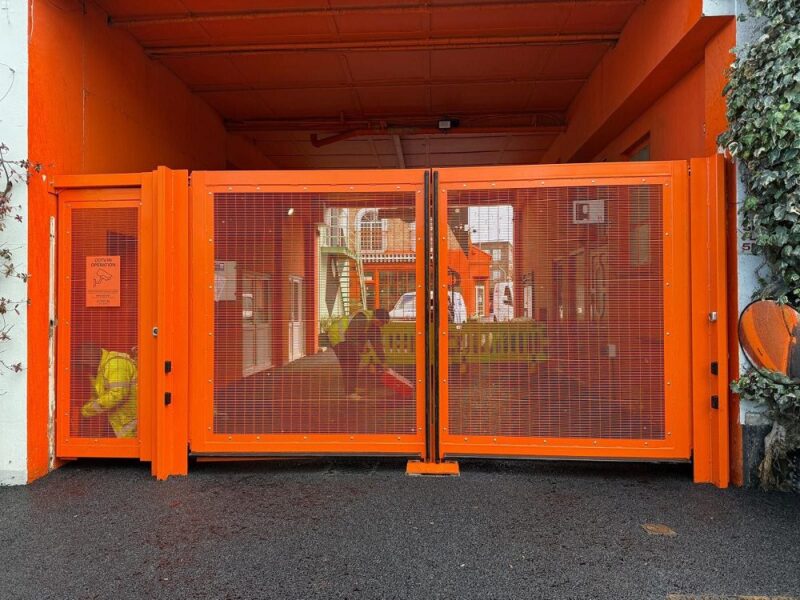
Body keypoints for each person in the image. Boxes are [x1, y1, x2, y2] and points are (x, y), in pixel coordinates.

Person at [79, 343, 138, 438]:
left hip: (131, 423)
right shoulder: (99, 369)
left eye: (86, 364)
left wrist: (86, 411)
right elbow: (97, 398)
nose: (86, 368)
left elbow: (117, 394)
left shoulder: (115, 364)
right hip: (118, 422)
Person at [333, 308, 390, 400]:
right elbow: (350, 335)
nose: (381, 325)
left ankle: (352, 389)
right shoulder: (362, 318)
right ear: (375, 317)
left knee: (355, 361)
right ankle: (350, 393)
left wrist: (383, 361)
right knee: (349, 364)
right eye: (381, 322)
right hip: (339, 338)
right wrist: (362, 349)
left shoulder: (374, 325)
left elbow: (377, 344)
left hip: (348, 339)